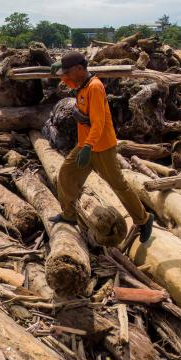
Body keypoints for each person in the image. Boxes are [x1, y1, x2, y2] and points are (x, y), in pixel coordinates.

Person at [48, 50, 155, 243]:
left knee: (118, 184)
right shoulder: (81, 84)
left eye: (68, 72)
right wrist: (60, 72)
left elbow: (98, 123)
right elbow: (68, 83)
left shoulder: (95, 87)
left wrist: (88, 147)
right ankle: (69, 214)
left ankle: (144, 219)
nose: (67, 77)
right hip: (85, 144)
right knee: (66, 173)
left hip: (101, 147)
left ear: (80, 69)